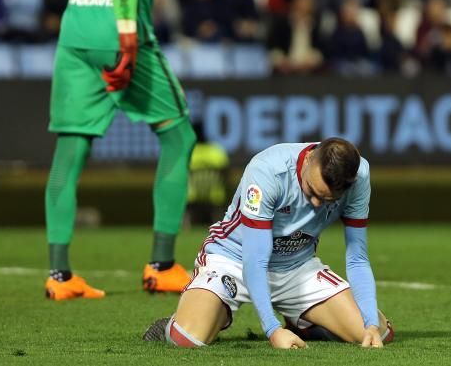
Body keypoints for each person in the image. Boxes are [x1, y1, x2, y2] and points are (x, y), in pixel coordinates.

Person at [44, 0, 197, 300]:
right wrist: (127, 36)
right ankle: (162, 265)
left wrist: (90, 10)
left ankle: (59, 275)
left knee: (70, 154)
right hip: (118, 30)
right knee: (178, 136)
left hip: (75, 32)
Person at [143, 138, 394, 349]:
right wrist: (272, 329)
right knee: (188, 338)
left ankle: (305, 323)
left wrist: (370, 323)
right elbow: (255, 260)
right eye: (312, 192)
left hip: (296, 266)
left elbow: (357, 257)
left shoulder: (359, 176)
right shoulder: (268, 170)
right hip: (234, 259)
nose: (316, 204)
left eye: (327, 199)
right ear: (308, 160)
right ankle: (177, 322)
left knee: (378, 334)